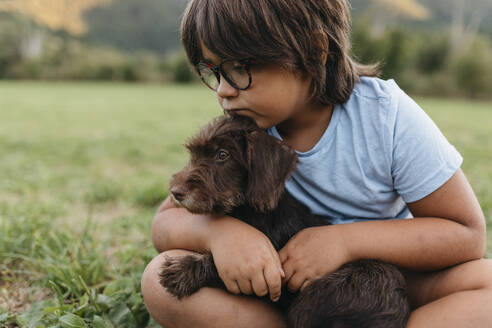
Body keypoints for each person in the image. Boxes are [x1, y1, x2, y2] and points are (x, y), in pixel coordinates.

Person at [141, 0, 492, 327]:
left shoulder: (387, 117)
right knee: (160, 279)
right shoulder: (243, 127)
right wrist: (220, 234)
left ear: (314, 50)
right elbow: (166, 222)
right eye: (214, 71)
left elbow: (466, 234)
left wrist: (344, 242)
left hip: (392, 280)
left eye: (240, 68)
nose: (223, 90)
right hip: (278, 288)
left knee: (487, 285)